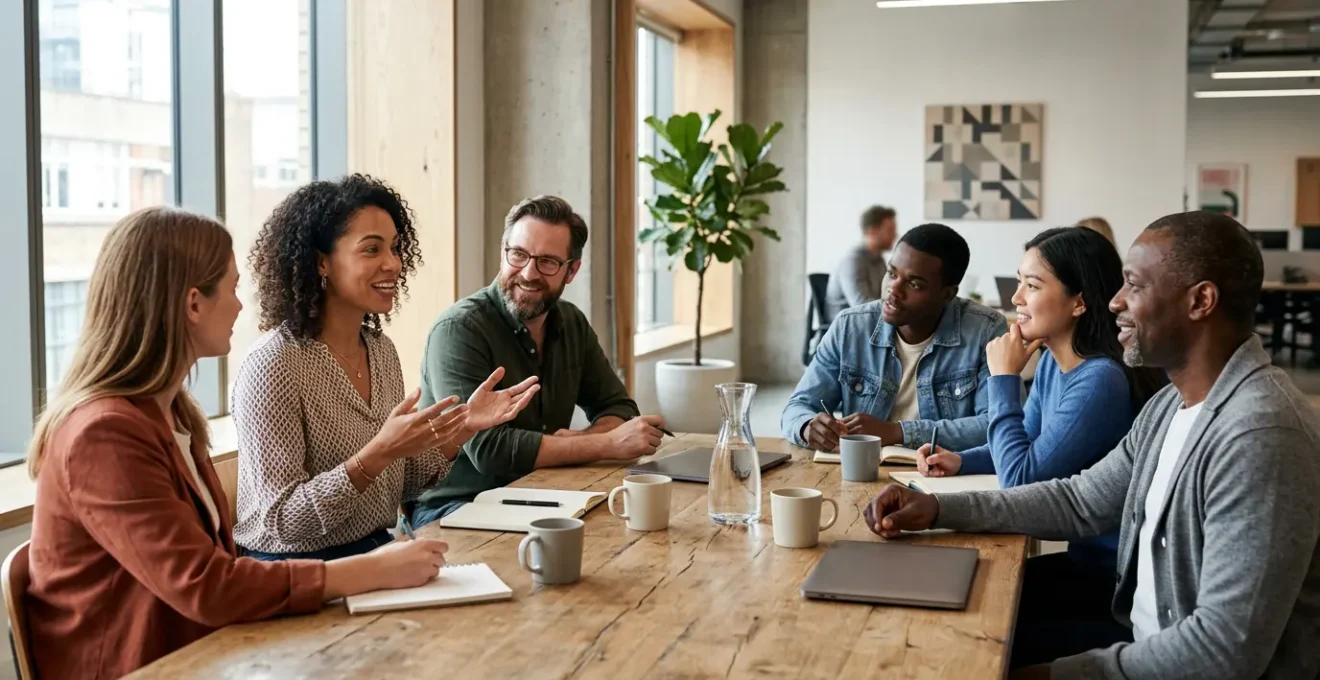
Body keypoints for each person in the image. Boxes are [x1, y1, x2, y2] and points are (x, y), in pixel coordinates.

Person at [865, 211, 1320, 679]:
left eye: (1134, 286)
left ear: (1200, 301)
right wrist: (937, 510)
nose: (1115, 302)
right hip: (1136, 628)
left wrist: (1047, 675)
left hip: (1159, 655)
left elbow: (1222, 653)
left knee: (965, 652)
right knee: (948, 621)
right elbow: (1080, 500)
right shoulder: (1170, 406)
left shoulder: (1261, 436)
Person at [23, 207, 451, 680]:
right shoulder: (102, 434)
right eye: (231, 288)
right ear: (192, 304)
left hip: (205, 651)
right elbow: (207, 585)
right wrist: (371, 570)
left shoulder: (172, 413)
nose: (241, 306)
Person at [233, 175, 539, 560]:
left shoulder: (380, 351)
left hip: (376, 550)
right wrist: (377, 453)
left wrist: (462, 428)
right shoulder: (274, 364)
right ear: (321, 262)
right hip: (294, 569)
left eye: (394, 248)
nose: (393, 263)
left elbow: (403, 485)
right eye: (372, 249)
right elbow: (283, 522)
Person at [916, 227, 1166, 650]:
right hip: (1084, 564)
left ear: (1079, 301)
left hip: (1110, 584)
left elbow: (1022, 479)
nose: (1016, 299)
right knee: (959, 592)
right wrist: (964, 460)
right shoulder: (1054, 361)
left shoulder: (1100, 380)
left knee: (975, 627)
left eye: (1031, 286)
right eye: (1020, 282)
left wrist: (1004, 379)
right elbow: (1027, 440)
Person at [407, 195, 664, 527]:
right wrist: (606, 443)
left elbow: (618, 407)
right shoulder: (458, 331)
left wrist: (580, 442)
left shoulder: (571, 323)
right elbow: (489, 450)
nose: (528, 273)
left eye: (547, 262)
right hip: (455, 507)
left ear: (571, 270)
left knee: (636, 532)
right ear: (504, 251)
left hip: (544, 492)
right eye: (518, 255)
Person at [782, 222, 1007, 453]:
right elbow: (798, 406)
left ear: (947, 294)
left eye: (913, 283)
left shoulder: (985, 331)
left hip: (943, 476)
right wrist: (807, 427)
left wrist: (897, 432)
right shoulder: (850, 327)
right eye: (891, 274)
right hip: (864, 471)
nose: (894, 290)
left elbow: (995, 424)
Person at [824, 205, 898, 323]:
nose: (895, 235)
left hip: (868, 325)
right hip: (846, 329)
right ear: (872, 231)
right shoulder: (853, 261)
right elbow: (861, 307)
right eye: (889, 230)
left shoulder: (879, 260)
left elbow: (885, 296)